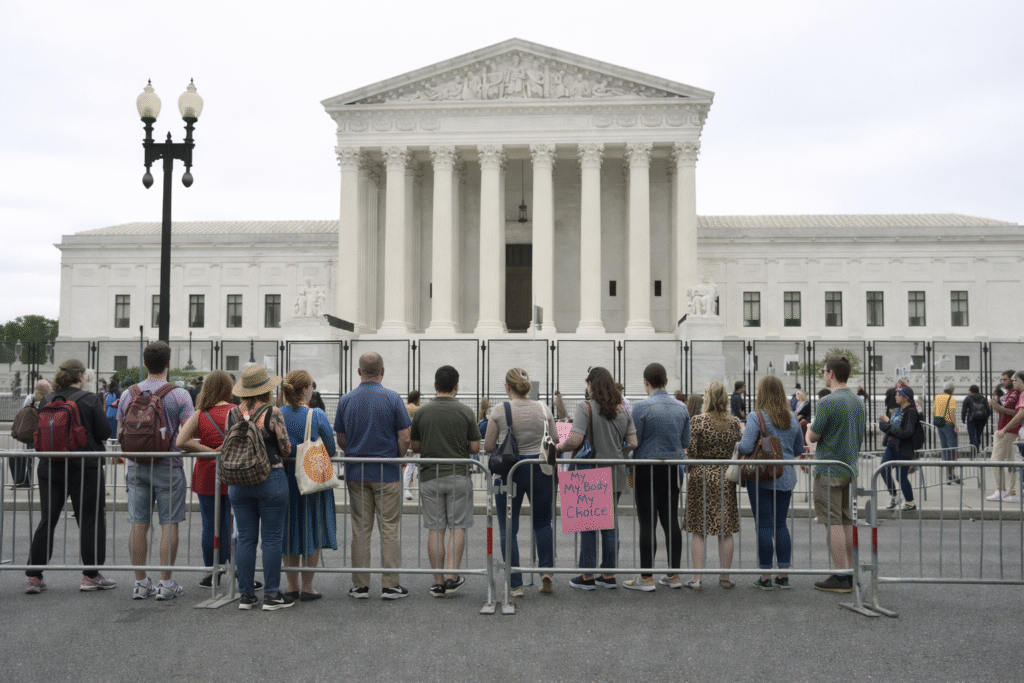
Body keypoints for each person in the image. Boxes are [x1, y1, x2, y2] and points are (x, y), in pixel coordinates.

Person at [25, 360, 113, 594]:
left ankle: (34, 576)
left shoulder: (47, 399)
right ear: (81, 376)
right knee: (89, 519)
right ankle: (90, 575)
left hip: (50, 466)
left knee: (47, 520)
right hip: (85, 467)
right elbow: (105, 431)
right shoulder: (90, 398)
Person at [116, 341, 194, 601]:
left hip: (136, 467)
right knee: (169, 525)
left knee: (139, 524)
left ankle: (140, 583)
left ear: (145, 363)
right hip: (168, 465)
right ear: (168, 364)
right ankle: (166, 583)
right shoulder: (180, 395)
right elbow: (187, 433)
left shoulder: (129, 394)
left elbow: (119, 434)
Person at [334, 352, 412, 600]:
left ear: (359, 372)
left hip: (357, 470)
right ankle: (390, 584)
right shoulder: (392, 398)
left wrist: (354, 451)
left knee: (360, 528)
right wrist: (397, 458)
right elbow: (406, 436)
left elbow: (341, 438)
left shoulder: (346, 400)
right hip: (387, 471)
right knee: (389, 528)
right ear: (383, 371)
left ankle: (360, 584)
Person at [556, 367, 637, 591]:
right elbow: (633, 442)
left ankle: (587, 575)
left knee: (589, 524)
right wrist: (617, 452)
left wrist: (559, 448)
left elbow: (575, 439)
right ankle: (609, 574)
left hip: (589, 469)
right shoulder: (623, 411)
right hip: (616, 471)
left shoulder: (586, 407)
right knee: (610, 524)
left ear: (592, 385)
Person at [486, 368, 559, 596]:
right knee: (542, 523)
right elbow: (555, 439)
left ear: (507, 387)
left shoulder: (499, 410)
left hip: (511, 471)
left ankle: (515, 581)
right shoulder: (543, 408)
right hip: (540, 469)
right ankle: (546, 572)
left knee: (509, 528)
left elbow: (488, 446)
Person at [226, 364, 293, 610]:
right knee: (272, 539)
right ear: (266, 389)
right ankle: (272, 595)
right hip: (270, 479)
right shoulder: (272, 412)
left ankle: (245, 595)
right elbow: (285, 447)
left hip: (239, 482)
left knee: (245, 538)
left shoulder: (232, 413)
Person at [411, 365, 480, 598]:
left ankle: (438, 582)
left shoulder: (422, 412)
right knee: (457, 526)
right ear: (456, 386)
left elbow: (415, 446)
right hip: (458, 474)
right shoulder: (465, 411)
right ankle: (452, 576)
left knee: (436, 529)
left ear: (435, 385)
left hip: (430, 475)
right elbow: (475, 447)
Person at [623, 363, 690, 592]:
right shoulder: (681, 407)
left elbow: (635, 441)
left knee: (647, 523)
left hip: (646, 468)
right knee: (670, 520)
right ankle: (673, 574)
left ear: (646, 382)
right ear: (666, 382)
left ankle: (646, 576)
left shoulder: (641, 408)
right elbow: (686, 442)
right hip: (672, 469)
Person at [808, 355, 866, 594]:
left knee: (832, 522)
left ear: (831, 374)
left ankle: (840, 575)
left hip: (828, 469)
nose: (823, 374)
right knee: (845, 521)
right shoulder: (857, 401)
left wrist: (809, 437)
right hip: (849, 468)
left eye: (824, 371)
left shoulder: (827, 402)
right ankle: (851, 573)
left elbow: (813, 436)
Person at [738, 375, 803, 590]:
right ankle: (783, 576)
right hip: (786, 476)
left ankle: (765, 576)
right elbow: (798, 450)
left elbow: (746, 447)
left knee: (764, 525)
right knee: (780, 524)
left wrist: (738, 443)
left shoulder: (757, 416)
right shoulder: (791, 417)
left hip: (762, 477)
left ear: (761, 393)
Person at [175, 370, 238, 589]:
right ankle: (236, 569)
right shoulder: (236, 411)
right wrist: (223, 449)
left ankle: (212, 572)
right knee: (232, 524)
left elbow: (182, 440)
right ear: (228, 388)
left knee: (209, 524)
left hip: (206, 474)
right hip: (233, 473)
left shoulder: (201, 414)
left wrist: (208, 451)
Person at [279, 369, 338, 601]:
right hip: (310, 479)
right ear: (305, 390)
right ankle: (308, 586)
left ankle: (291, 585)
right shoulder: (316, 415)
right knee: (311, 530)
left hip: (284, 479)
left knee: (288, 531)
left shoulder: (277, 413)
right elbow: (331, 449)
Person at [683, 381, 741, 591]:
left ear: (707, 397)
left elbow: (693, 449)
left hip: (702, 474)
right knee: (725, 528)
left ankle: (697, 578)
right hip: (725, 476)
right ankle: (725, 577)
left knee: (699, 528)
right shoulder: (734, 422)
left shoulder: (698, 421)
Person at [877, 385, 920, 511]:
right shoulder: (897, 410)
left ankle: (910, 502)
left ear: (905, 398)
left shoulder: (911, 412)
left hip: (903, 448)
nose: (895, 396)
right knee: (883, 470)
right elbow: (894, 427)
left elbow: (907, 432)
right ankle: (894, 496)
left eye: (898, 394)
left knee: (901, 477)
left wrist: (887, 427)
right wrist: (887, 422)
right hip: (891, 446)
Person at [989, 371, 1023, 503]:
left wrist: (999, 408)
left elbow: (1017, 413)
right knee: (1010, 461)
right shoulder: (1011, 394)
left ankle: (1000, 490)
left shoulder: (1015, 394)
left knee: (996, 460)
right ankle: (1010, 491)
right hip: (1011, 430)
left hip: (1007, 431)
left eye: (1006, 379)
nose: (1003, 382)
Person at [11, 379, 51, 488]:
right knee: (45, 457)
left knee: (29, 457)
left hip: (32, 432)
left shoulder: (30, 398)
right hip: (45, 432)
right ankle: (46, 480)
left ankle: (26, 480)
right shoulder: (50, 398)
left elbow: (24, 411)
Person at [933, 382, 959, 482]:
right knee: (953, 449)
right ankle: (951, 473)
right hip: (949, 424)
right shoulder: (951, 399)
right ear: (952, 389)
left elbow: (933, 412)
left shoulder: (938, 397)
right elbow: (952, 413)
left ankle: (948, 474)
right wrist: (955, 425)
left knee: (945, 448)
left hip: (940, 424)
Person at [402, 390, 422, 501]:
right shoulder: (417, 409)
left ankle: (406, 489)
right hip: (413, 440)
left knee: (408, 466)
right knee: (411, 466)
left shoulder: (403, 407)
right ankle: (406, 490)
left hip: (403, 439)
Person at [961, 385, 990, 454]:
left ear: (970, 391)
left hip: (971, 420)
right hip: (982, 419)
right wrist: (986, 418)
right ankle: (977, 449)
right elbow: (988, 410)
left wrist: (963, 419)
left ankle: (974, 451)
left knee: (972, 435)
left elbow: (964, 410)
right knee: (978, 434)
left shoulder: (968, 398)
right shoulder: (983, 398)